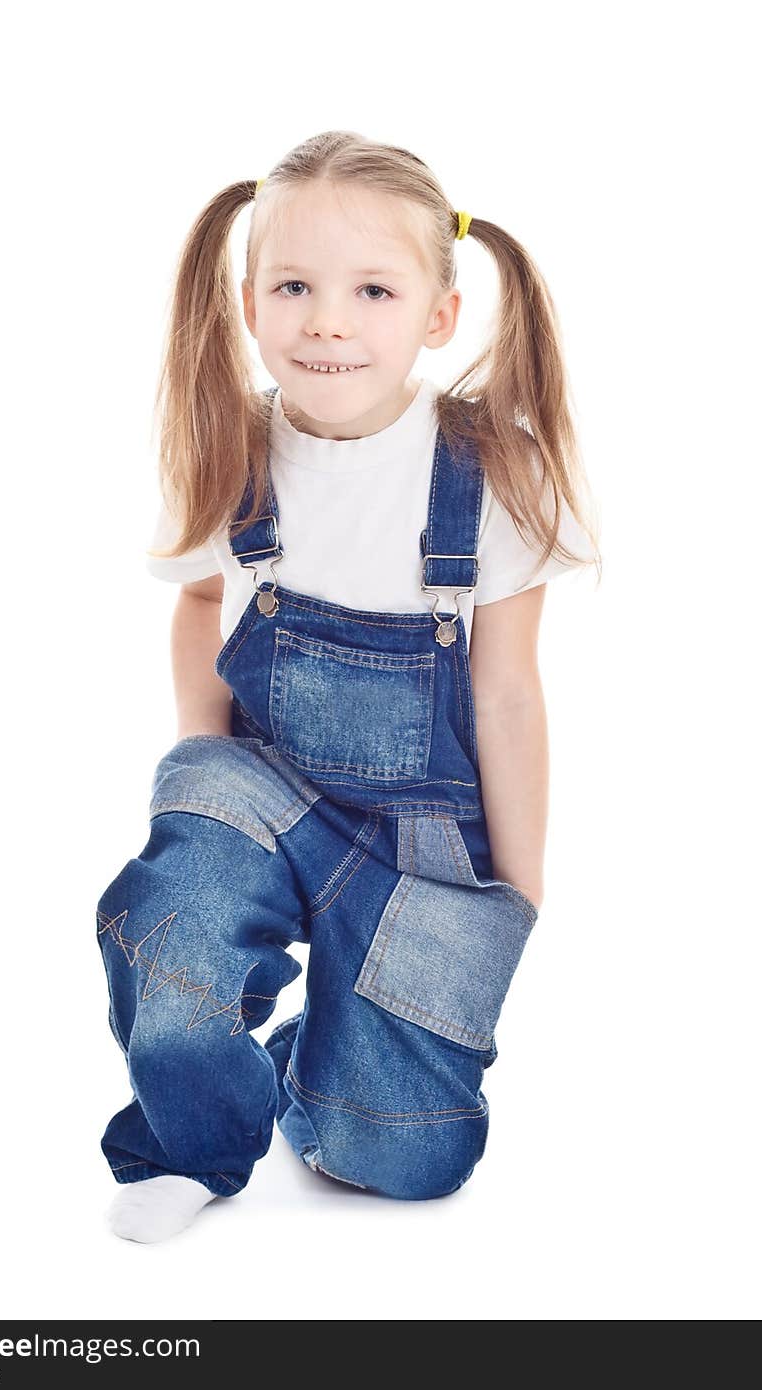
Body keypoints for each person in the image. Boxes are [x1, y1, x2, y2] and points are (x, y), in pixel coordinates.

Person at [96, 129, 602, 1244]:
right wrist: (205, 777)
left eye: (372, 289)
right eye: (295, 286)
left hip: (426, 839)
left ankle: (315, 1065)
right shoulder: (233, 446)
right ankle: (187, 1143)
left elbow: (509, 689)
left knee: (408, 1159)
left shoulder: (493, 470)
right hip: (265, 793)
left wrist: (518, 886)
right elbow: (193, 606)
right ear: (247, 301)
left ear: (437, 313)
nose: (327, 320)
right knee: (169, 923)